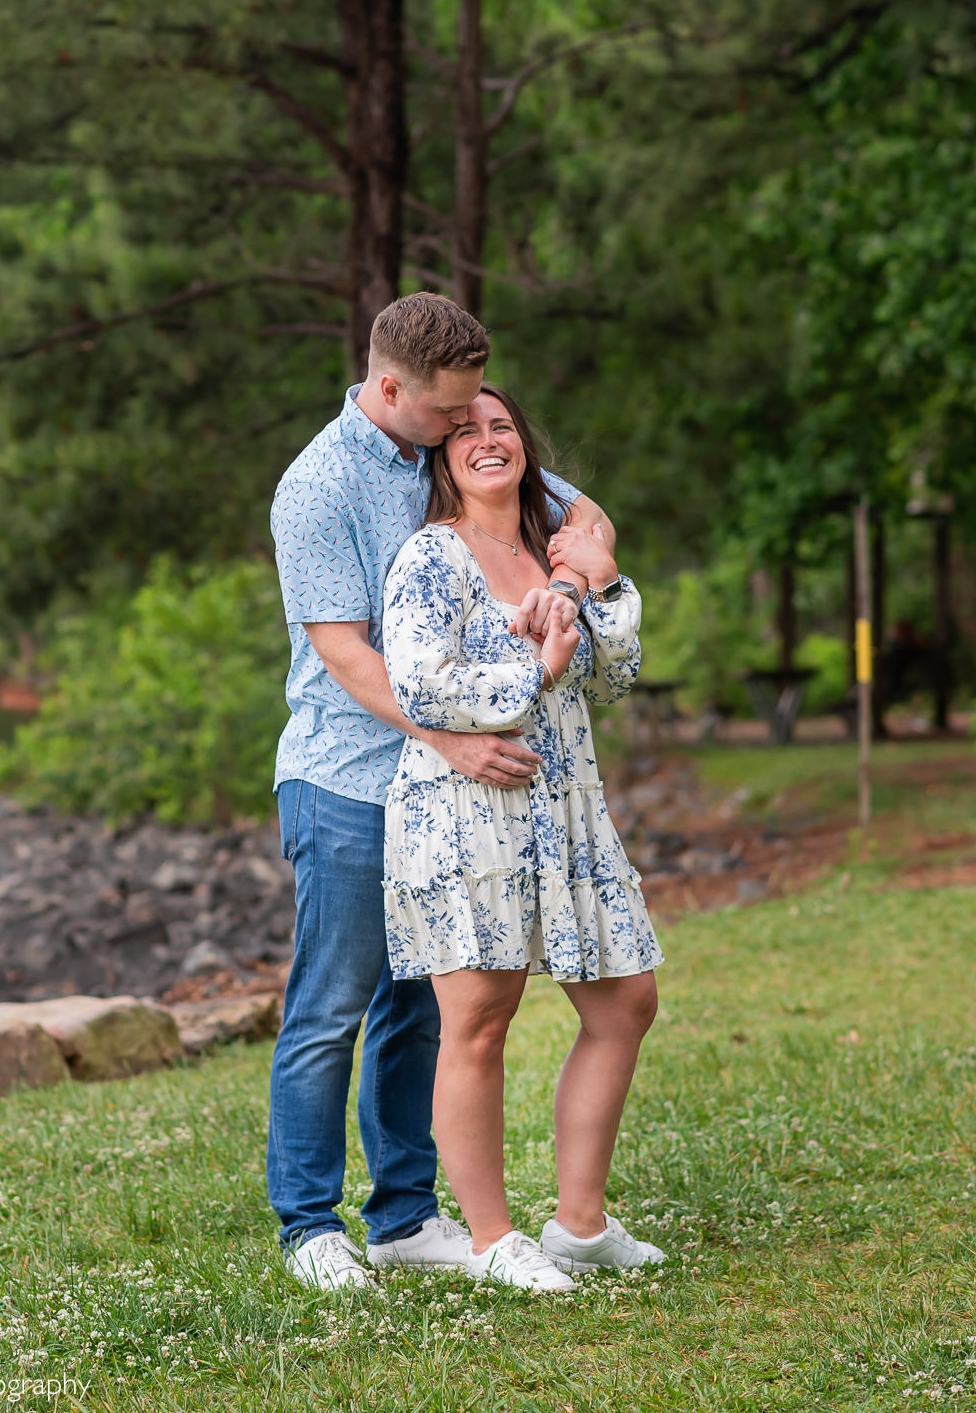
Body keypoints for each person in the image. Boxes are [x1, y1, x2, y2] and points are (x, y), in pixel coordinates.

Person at [268, 293, 608, 1291]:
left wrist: (579, 576)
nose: (462, 429)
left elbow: (582, 512)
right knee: (331, 1007)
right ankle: (306, 1226)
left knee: (421, 1006)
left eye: (473, 410)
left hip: (444, 794)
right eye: (445, 413)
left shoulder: (449, 445)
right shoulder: (316, 488)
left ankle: (405, 1217)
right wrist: (452, 742)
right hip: (346, 778)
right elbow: (341, 653)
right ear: (386, 389)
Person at [381, 383, 664, 1292]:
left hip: (569, 804)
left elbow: (616, 677)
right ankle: (494, 1239)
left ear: (524, 446)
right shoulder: (430, 556)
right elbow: (422, 687)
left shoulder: (557, 551)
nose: (486, 439)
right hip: (467, 811)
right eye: (464, 430)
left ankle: (580, 1226)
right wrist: (533, 669)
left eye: (500, 425)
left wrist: (602, 583)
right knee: (478, 1020)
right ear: (441, 457)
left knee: (625, 1001)